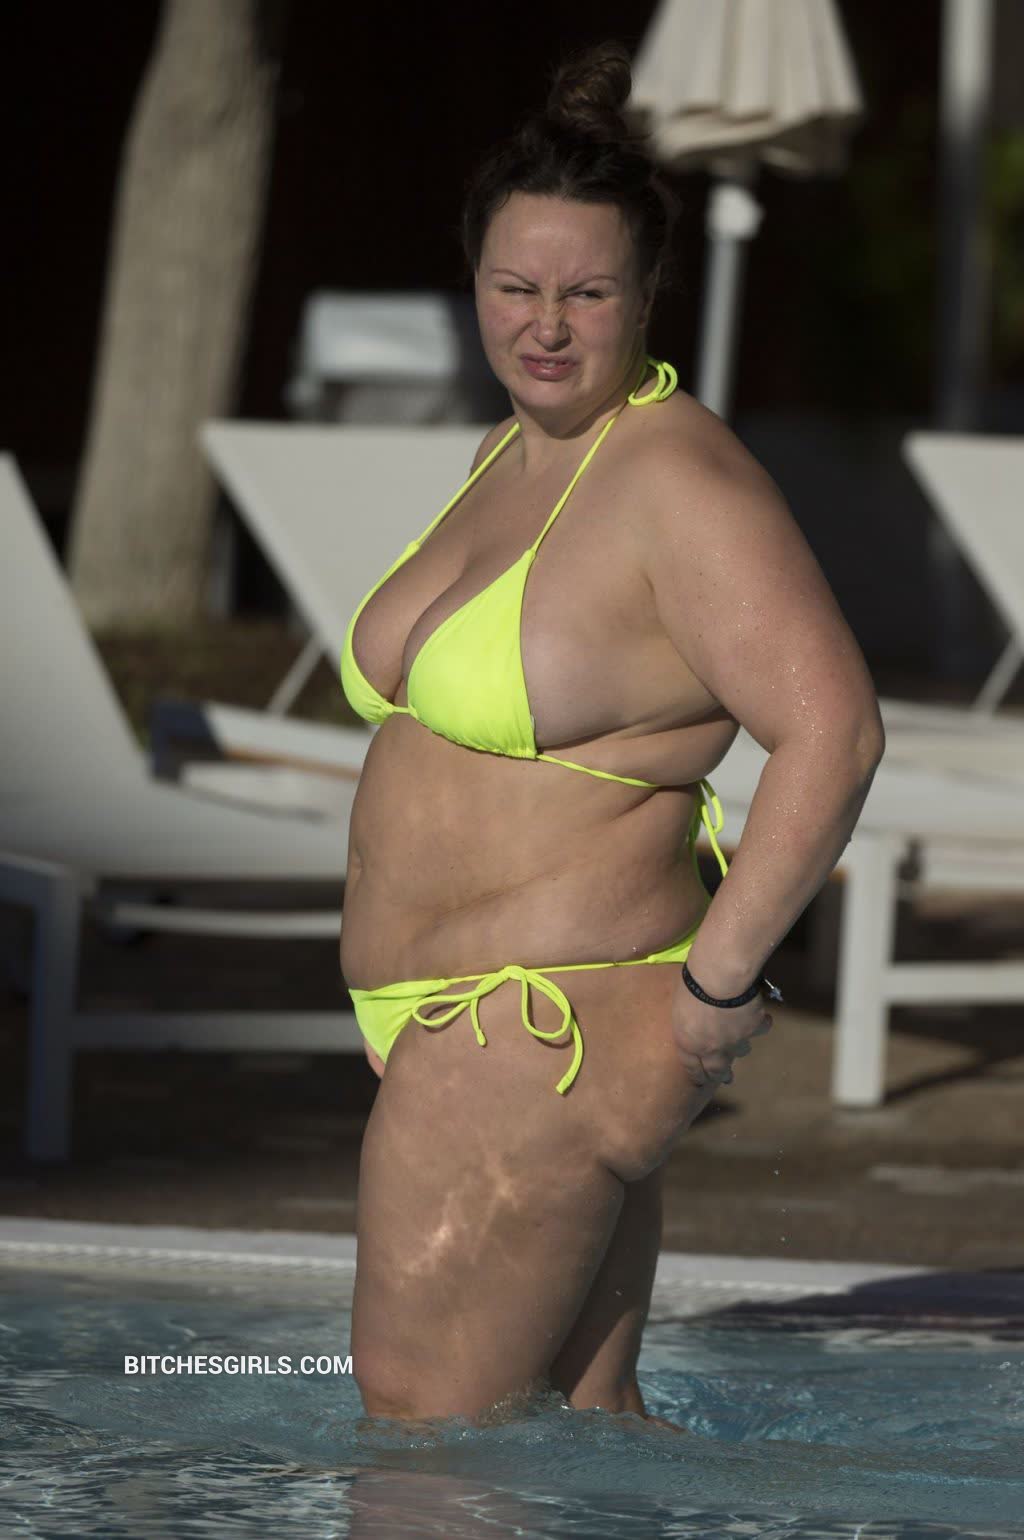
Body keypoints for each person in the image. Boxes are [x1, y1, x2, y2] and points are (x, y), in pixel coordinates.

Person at [338, 40, 884, 1426]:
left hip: (537, 1032)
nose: (546, 327)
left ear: (646, 295)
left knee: (419, 1456)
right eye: (514, 288)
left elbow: (832, 732)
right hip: (480, 1032)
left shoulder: (677, 481)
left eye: (586, 293)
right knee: (582, 1450)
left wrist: (716, 993)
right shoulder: (511, 450)